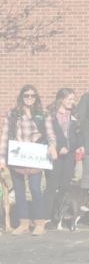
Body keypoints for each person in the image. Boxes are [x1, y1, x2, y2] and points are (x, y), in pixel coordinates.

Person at [1, 85, 57, 236]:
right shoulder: (12, 114)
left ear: (36, 97)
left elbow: (50, 132)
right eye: (26, 95)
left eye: (32, 95)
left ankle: (39, 222)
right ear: (21, 97)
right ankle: (23, 223)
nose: (29, 98)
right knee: (19, 192)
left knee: (35, 189)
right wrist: (1, 158)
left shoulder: (43, 113)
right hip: (17, 155)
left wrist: (52, 144)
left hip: (35, 155)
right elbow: (5, 136)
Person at [42, 88, 82, 230]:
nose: (72, 102)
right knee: (52, 186)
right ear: (61, 99)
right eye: (69, 99)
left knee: (64, 186)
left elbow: (78, 131)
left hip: (70, 154)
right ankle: (45, 218)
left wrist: (80, 145)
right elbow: (46, 132)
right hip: (55, 154)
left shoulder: (74, 114)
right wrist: (58, 146)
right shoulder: (50, 113)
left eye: (73, 99)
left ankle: (57, 214)